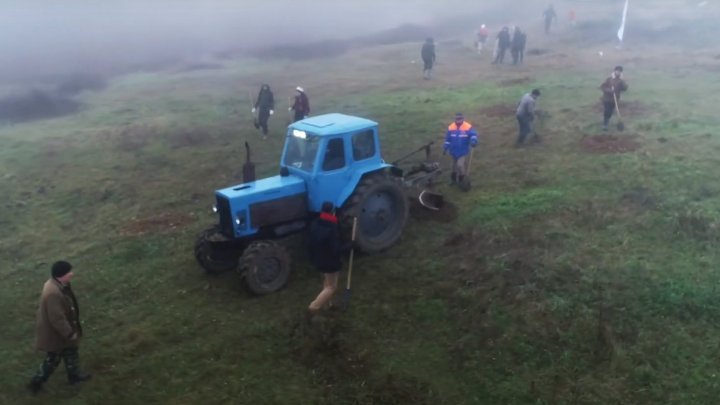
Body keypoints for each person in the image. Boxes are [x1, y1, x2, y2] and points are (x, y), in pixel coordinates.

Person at [28, 261, 91, 394]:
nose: (72, 274)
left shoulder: (56, 284)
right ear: (61, 275)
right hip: (56, 334)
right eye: (69, 272)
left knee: (71, 351)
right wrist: (69, 333)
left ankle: (74, 377)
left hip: (62, 331)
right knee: (52, 360)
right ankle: (36, 382)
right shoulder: (53, 293)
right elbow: (57, 319)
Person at [307, 202, 351, 312]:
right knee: (331, 287)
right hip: (330, 263)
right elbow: (336, 250)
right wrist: (349, 246)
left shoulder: (315, 223)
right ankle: (314, 306)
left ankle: (327, 305)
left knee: (327, 283)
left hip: (318, 259)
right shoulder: (332, 228)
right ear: (333, 212)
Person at [443, 113, 478, 185]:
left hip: (462, 151)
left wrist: (473, 141)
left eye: (460, 118)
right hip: (453, 150)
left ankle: (462, 179)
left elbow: (473, 135)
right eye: (457, 119)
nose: (458, 120)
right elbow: (448, 139)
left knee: (460, 165)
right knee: (453, 167)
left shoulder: (467, 126)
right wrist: (445, 147)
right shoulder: (451, 127)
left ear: (463, 119)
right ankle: (453, 180)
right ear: (455, 119)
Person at [600, 65, 629, 131]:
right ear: (615, 71)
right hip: (607, 99)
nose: (618, 72)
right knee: (607, 111)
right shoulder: (609, 79)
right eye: (617, 71)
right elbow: (602, 87)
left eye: (620, 71)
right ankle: (605, 125)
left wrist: (623, 81)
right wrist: (610, 90)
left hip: (615, 100)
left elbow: (625, 89)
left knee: (610, 112)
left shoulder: (621, 81)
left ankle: (607, 122)